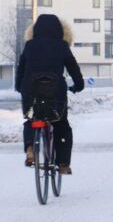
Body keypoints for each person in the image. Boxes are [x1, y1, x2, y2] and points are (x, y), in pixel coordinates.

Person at [15, 14, 84, 174]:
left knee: (31, 120)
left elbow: (21, 70)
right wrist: (78, 86)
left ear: (35, 30)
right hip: (55, 94)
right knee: (61, 125)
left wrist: (20, 87)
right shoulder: (62, 46)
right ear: (60, 30)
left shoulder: (29, 45)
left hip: (31, 92)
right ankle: (63, 164)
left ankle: (31, 148)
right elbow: (74, 69)